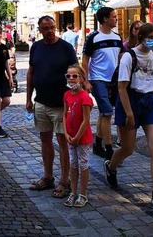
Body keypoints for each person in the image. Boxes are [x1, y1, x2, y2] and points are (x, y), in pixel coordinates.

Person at [103, 23, 153, 212]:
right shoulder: (129, 56)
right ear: (142, 37)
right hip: (130, 102)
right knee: (128, 148)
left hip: (149, 103)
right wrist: (129, 114)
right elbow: (121, 87)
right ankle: (111, 166)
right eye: (151, 38)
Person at [26, 15, 76, 200]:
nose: (49, 31)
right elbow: (31, 73)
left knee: (63, 142)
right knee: (45, 140)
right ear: (39, 29)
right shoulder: (36, 47)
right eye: (45, 28)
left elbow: (75, 72)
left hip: (61, 104)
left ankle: (65, 181)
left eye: (52, 27)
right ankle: (48, 177)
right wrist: (28, 98)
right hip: (41, 101)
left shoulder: (65, 48)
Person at [82, 7, 122, 160]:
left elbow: (119, 58)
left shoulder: (117, 37)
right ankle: (109, 148)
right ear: (105, 19)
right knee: (107, 112)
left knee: (104, 114)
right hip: (97, 79)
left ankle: (98, 144)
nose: (116, 19)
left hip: (113, 81)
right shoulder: (93, 37)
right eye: (113, 16)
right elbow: (85, 59)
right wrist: (86, 81)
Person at [62, 64, 93, 208]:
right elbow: (64, 114)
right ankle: (73, 192)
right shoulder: (67, 95)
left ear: (81, 78)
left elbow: (86, 120)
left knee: (83, 164)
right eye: (68, 76)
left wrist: (77, 137)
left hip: (82, 138)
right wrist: (67, 133)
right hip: (71, 136)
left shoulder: (85, 97)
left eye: (75, 76)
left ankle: (83, 193)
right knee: (73, 164)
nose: (71, 79)